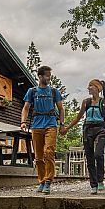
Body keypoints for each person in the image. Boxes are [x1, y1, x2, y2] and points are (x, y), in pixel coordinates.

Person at [61, 79, 105, 194]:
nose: (88, 88)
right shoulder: (86, 102)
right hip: (88, 129)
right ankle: (93, 184)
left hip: (101, 129)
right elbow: (78, 118)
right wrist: (66, 128)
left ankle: (100, 180)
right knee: (89, 158)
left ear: (97, 88)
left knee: (98, 154)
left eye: (90, 86)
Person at [21, 66, 65, 194]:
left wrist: (62, 124)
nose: (49, 78)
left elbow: (61, 108)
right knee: (39, 157)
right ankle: (41, 181)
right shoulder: (32, 91)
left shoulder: (53, 91)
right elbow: (25, 108)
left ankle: (48, 181)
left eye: (50, 76)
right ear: (40, 77)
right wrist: (23, 122)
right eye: (47, 76)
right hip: (36, 125)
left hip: (51, 124)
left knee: (49, 152)